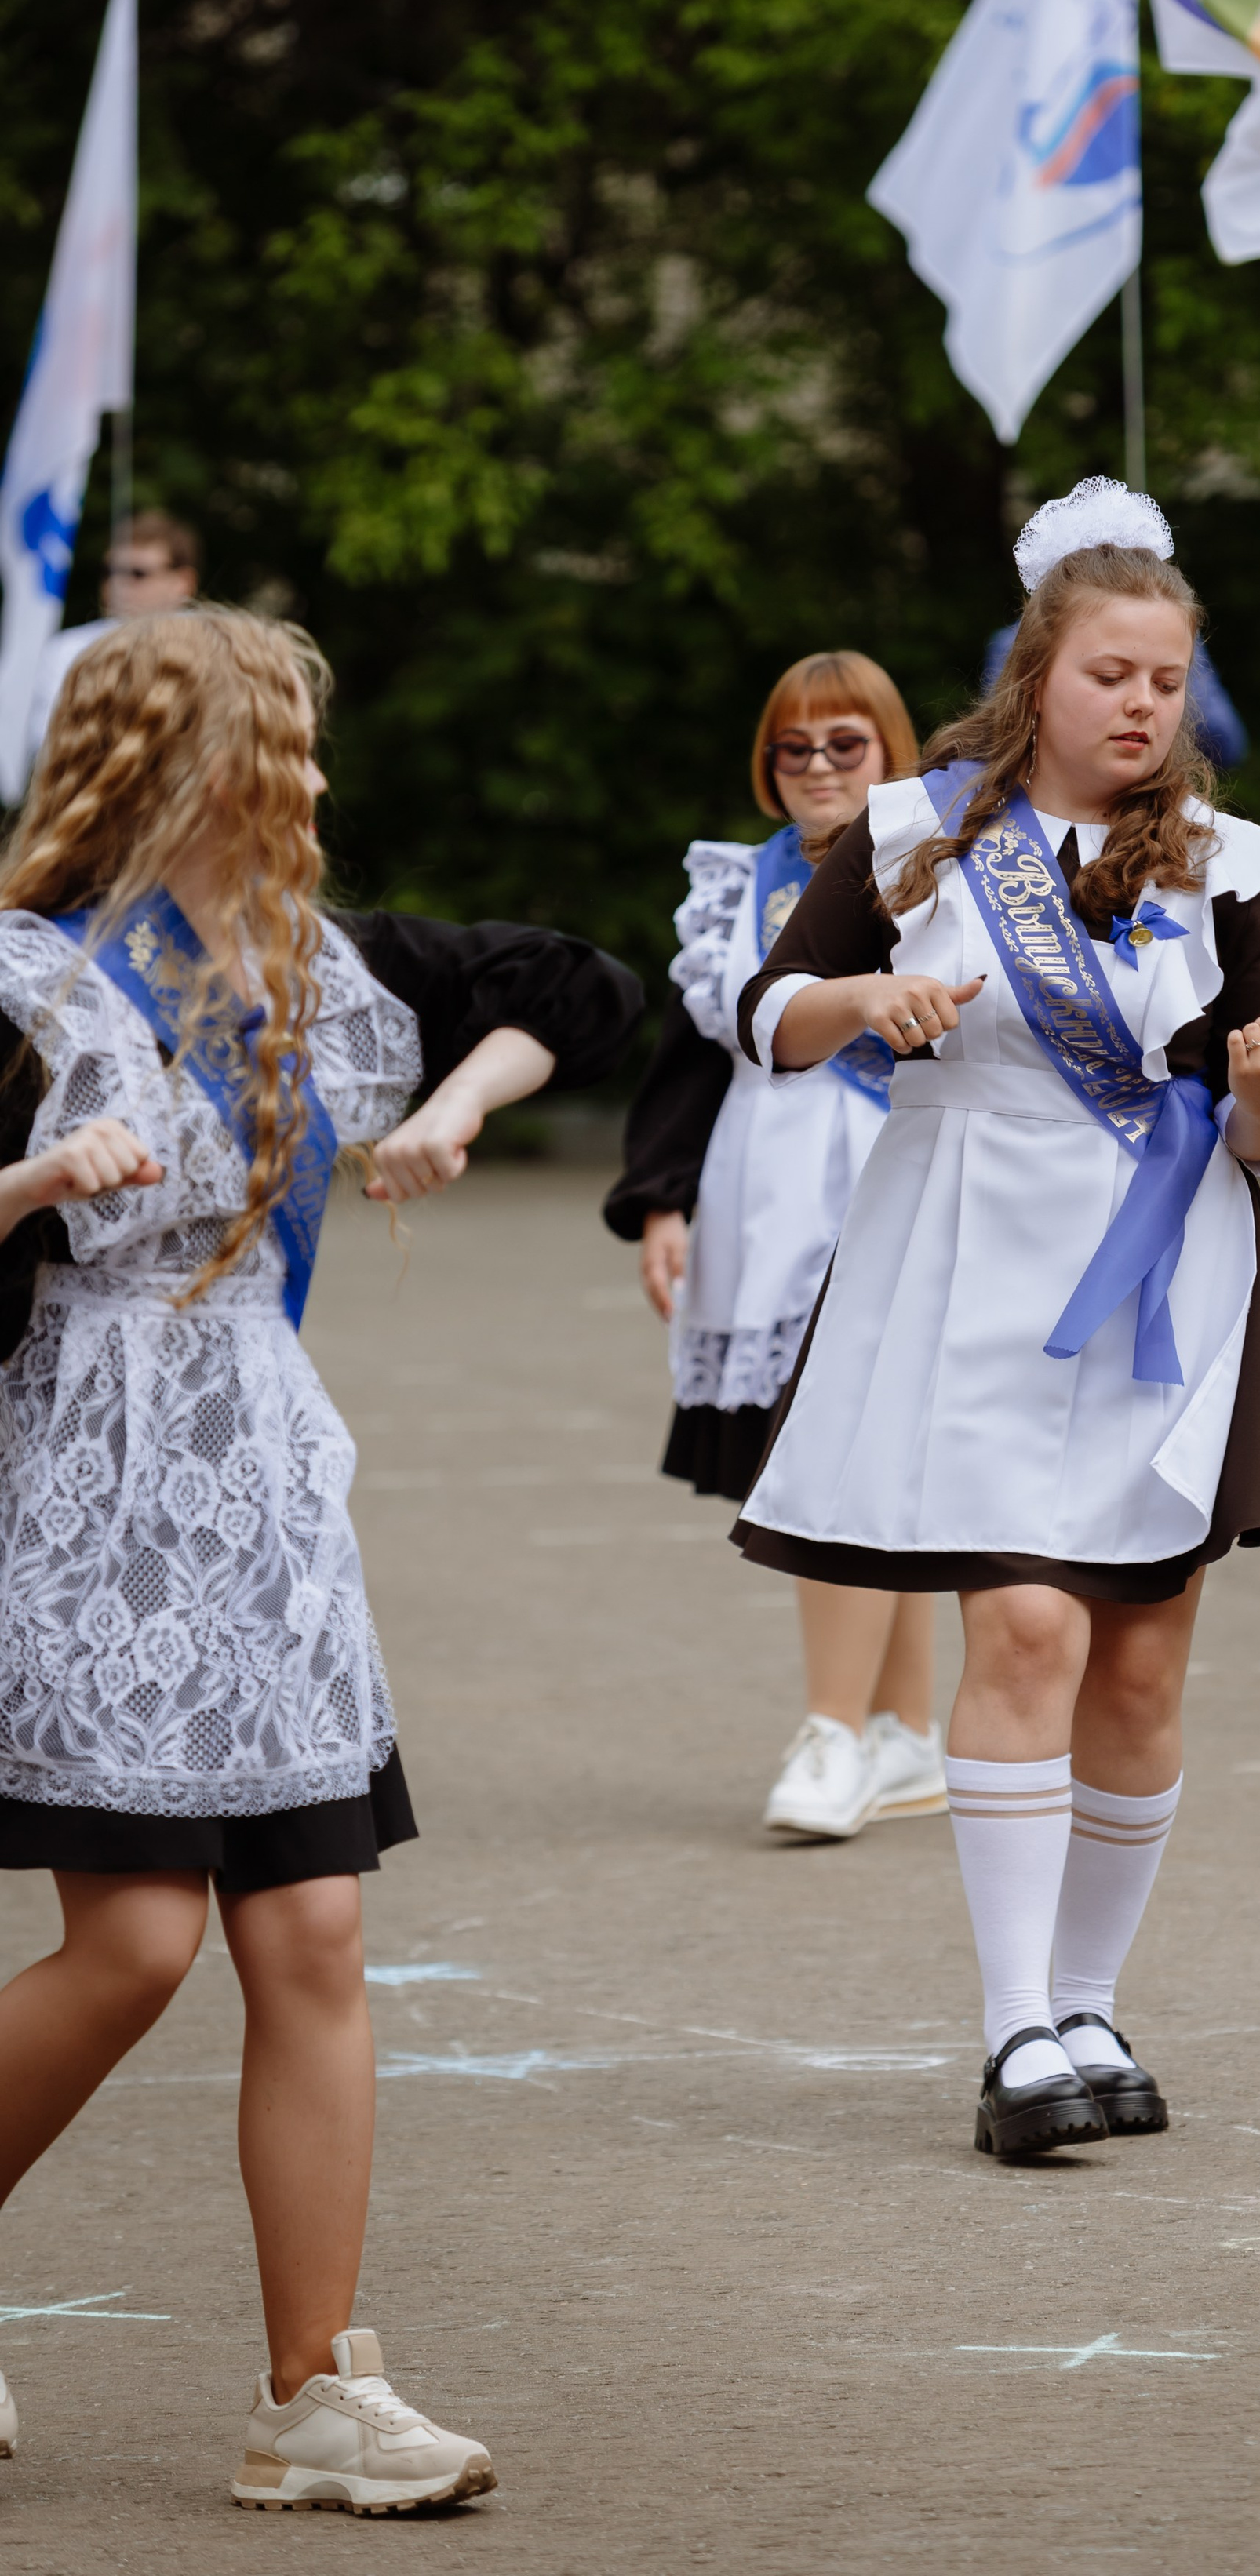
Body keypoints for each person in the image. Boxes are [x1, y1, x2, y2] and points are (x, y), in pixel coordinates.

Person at [0, 606, 641, 2506]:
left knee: (315, 1929)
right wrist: (40, 1177)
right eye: (278, 738)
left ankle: (313, 2394)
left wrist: (451, 1105)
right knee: (128, 1946)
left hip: (266, 1497)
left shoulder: (326, 966)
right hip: (91, 1491)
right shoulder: (36, 980)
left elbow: (580, 985)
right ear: (176, 759)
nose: (310, 774)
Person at [728, 477, 1260, 2159]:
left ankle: (1084, 2008)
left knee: (1140, 1671)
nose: (1140, 705)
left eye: (1163, 679)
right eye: (1108, 675)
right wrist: (865, 996)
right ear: (1034, 677)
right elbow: (770, 1012)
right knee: (1025, 1630)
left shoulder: (1227, 869)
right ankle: (1010, 2040)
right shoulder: (919, 829)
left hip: (1174, 1283)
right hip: (972, 1269)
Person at [603, 651, 949, 1842]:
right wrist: (661, 1201)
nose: (815, 769)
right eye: (791, 750)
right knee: (840, 1451)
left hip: (889, 1175)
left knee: (849, 1456)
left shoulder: (938, 869)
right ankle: (902, 1732)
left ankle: (838, 1731)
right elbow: (694, 1057)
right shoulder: (731, 887)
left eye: (843, 745)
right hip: (762, 1192)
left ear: (893, 752)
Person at [27, 508, 202, 764]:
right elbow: (44, 739)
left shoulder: (218, 647)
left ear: (183, 582)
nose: (118, 584)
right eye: (110, 571)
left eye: (137, 573)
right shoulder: (66, 649)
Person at [982, 617, 1247, 766]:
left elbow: (1226, 739)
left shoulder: (1209, 854)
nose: (1145, 702)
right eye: (1109, 678)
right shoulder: (950, 821)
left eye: (1167, 685)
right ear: (1033, 690)